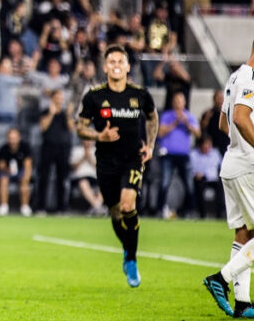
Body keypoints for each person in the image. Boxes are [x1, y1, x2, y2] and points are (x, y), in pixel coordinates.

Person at [203, 31, 254, 320]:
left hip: (231, 164)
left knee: (245, 232)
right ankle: (221, 278)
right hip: (251, 167)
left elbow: (224, 125)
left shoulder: (234, 77)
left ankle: (242, 303)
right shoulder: (253, 78)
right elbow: (239, 118)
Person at [76, 44, 158, 287]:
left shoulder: (140, 94)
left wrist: (150, 145)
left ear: (127, 66)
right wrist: (98, 136)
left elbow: (152, 117)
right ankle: (127, 247)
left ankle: (131, 260)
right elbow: (80, 127)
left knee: (127, 205)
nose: (116, 66)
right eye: (111, 62)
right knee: (115, 212)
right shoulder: (95, 96)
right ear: (105, 67)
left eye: (120, 62)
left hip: (132, 159)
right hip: (106, 162)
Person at [155, 92, 199, 219]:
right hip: (168, 154)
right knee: (165, 182)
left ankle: (190, 210)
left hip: (184, 154)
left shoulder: (189, 117)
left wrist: (186, 123)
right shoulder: (167, 116)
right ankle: (160, 209)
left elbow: (198, 134)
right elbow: (160, 133)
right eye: (176, 101)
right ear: (173, 102)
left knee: (189, 183)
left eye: (181, 101)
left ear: (184, 103)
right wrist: (175, 122)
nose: (178, 104)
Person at [35, 89, 75, 214]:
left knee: (62, 178)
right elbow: (43, 127)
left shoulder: (65, 113)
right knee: (44, 178)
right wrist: (51, 114)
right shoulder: (45, 112)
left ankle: (61, 207)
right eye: (57, 96)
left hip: (63, 148)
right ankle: (41, 207)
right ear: (52, 98)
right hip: (48, 147)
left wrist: (69, 114)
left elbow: (71, 128)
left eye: (61, 97)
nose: (60, 99)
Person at [0, 127, 34, 216]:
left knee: (24, 181)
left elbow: (28, 164)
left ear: (18, 138)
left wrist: (26, 176)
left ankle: (25, 206)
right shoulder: (3, 149)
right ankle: (4, 206)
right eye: (10, 138)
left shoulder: (25, 147)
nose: (12, 141)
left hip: (21, 170)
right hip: (8, 171)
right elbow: (1, 164)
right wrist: (7, 169)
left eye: (14, 138)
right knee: (3, 179)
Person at [190, 136, 223, 219]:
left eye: (209, 144)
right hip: (200, 179)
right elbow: (191, 169)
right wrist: (196, 174)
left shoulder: (215, 153)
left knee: (221, 188)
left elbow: (220, 167)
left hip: (213, 179)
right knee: (198, 187)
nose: (208, 146)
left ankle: (220, 214)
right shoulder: (194, 154)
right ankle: (202, 214)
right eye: (206, 144)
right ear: (200, 145)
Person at [70, 139, 106, 216]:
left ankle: (96, 207)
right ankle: (98, 207)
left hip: (94, 177)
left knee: (104, 184)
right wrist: (84, 157)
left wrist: (89, 157)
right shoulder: (77, 150)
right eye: (86, 140)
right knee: (83, 183)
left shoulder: (98, 150)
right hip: (80, 177)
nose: (88, 142)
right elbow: (73, 167)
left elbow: (100, 167)